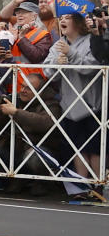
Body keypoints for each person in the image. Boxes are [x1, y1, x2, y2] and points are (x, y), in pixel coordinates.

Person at [0, 73, 61, 196]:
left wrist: (16, 113)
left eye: (28, 88)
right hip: (14, 150)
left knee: (33, 157)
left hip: (38, 149)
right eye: (22, 86)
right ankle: (18, 178)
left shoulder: (51, 103)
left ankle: (41, 181)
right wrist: (2, 113)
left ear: (40, 91)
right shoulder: (15, 99)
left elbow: (46, 123)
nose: (23, 91)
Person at [43, 13, 102, 184]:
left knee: (96, 148)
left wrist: (71, 54)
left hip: (93, 105)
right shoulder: (58, 45)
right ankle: (81, 185)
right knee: (78, 148)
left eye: (67, 18)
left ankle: (97, 185)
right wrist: (57, 65)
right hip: (69, 107)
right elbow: (48, 73)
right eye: (61, 18)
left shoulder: (91, 40)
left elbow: (91, 68)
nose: (62, 20)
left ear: (78, 21)